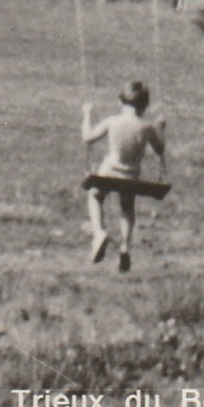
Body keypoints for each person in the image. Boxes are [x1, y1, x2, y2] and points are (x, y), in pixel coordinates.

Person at [81, 80, 166, 272]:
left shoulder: (112, 121)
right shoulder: (147, 127)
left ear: (120, 102)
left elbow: (87, 138)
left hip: (109, 171)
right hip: (131, 177)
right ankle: (125, 246)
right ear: (144, 106)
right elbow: (160, 148)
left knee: (95, 195)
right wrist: (160, 128)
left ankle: (99, 232)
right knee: (127, 206)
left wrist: (86, 115)